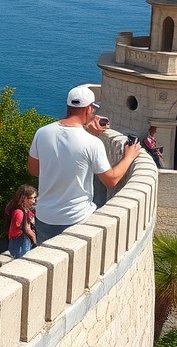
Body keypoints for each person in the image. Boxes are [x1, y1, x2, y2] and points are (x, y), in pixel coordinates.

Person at [28, 85, 142, 243]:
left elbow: (33, 170)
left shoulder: (42, 132)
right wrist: (128, 157)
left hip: (45, 217)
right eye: (93, 109)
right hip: (76, 218)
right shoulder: (91, 143)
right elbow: (111, 180)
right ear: (89, 109)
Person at [5, 185, 38, 258]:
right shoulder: (19, 212)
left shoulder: (26, 209)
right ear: (23, 198)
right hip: (20, 242)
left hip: (21, 241)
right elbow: (26, 229)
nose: (33, 201)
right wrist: (35, 242)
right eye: (30, 198)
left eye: (34, 198)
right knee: (22, 259)